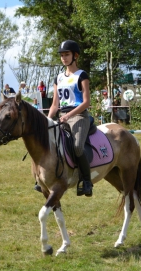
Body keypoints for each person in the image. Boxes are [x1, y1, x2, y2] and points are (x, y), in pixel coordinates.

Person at [47, 39, 93, 197]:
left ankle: (87, 181)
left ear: (75, 56)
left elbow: (87, 102)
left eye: (67, 54)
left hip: (79, 116)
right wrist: (47, 120)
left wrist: (68, 115)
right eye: (62, 55)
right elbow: (54, 104)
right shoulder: (58, 78)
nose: (64, 58)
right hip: (61, 117)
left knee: (78, 147)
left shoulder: (82, 75)